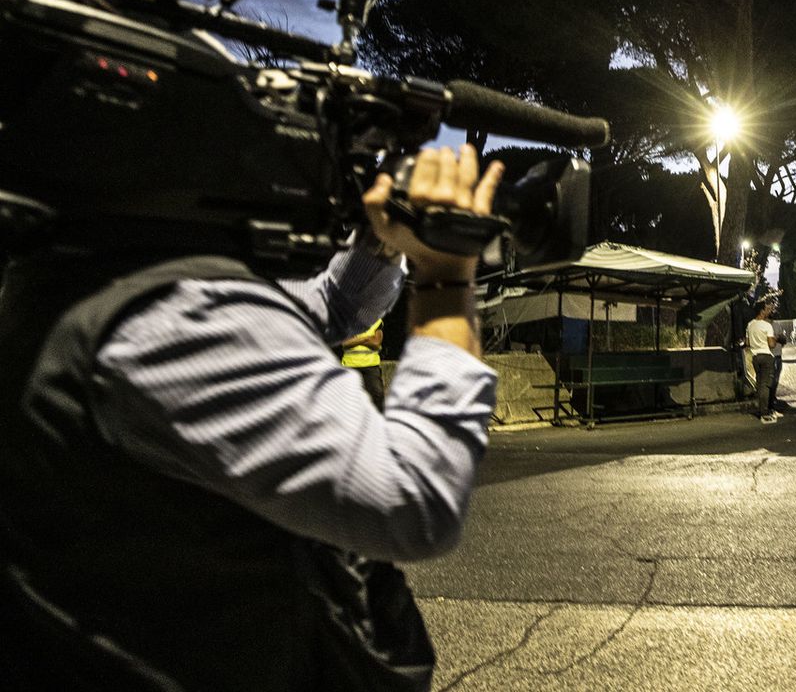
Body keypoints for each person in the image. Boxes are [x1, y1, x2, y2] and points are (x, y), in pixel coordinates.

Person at [0, 144, 504, 690]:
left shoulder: (83, 272)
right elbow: (416, 500)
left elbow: (321, 306)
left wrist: (379, 247)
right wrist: (447, 277)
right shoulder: (175, 311)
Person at [746, 300, 781, 423]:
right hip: (766, 356)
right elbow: (771, 344)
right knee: (766, 385)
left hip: (755, 357)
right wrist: (775, 339)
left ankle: (761, 408)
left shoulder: (750, 325)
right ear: (761, 311)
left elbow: (748, 343)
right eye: (766, 309)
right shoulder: (767, 326)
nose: (768, 311)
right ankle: (765, 412)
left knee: (760, 383)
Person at [341, 317, 386, 408]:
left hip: (371, 366)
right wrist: (366, 339)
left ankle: (378, 420)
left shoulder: (377, 321)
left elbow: (376, 343)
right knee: (349, 399)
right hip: (350, 365)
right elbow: (345, 343)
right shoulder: (347, 320)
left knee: (378, 395)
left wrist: (356, 339)